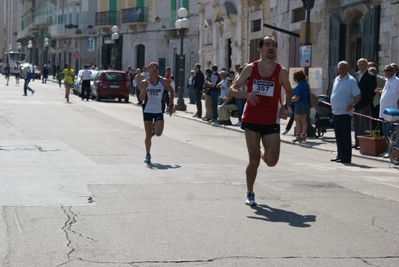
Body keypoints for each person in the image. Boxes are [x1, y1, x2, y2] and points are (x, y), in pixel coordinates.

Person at [228, 35, 292, 206]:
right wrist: (246, 94)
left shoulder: (282, 71)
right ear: (260, 48)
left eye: (274, 45)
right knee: (254, 160)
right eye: (268, 44)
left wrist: (285, 106)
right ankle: (250, 192)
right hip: (252, 119)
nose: (271, 47)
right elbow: (233, 88)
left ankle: (260, 151)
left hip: (271, 120)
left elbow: (289, 91)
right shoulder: (250, 68)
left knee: (271, 161)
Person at [139, 62, 175, 164]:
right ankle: (147, 154)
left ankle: (154, 129)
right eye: (152, 67)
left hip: (158, 109)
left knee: (158, 133)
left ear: (158, 70)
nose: (154, 68)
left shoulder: (163, 81)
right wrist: (145, 89)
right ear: (148, 70)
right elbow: (141, 98)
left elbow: (171, 91)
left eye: (156, 67)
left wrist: (171, 105)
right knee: (148, 135)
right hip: (147, 110)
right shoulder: (144, 82)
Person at [330, 61, 361, 164]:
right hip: (335, 112)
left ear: (347, 69)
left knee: (345, 136)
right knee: (338, 136)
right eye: (340, 67)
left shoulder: (351, 81)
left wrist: (351, 104)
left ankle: (346, 157)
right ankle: (340, 155)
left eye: (343, 68)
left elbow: (358, 96)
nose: (341, 69)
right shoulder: (336, 79)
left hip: (344, 112)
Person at [375, 64, 399, 158]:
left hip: (392, 112)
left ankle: (392, 151)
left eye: (389, 70)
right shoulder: (387, 81)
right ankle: (387, 150)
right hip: (384, 112)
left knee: (391, 132)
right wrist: (381, 92)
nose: (387, 72)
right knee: (385, 132)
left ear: (393, 71)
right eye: (385, 70)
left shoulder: (397, 81)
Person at [352, 58, 376, 149]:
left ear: (366, 65)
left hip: (365, 104)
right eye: (360, 64)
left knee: (364, 124)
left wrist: (365, 103)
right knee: (357, 124)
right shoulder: (356, 75)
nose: (361, 66)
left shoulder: (370, 76)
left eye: (363, 64)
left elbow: (371, 92)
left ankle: (363, 143)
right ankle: (357, 142)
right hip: (356, 104)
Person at [291, 69, 310, 142]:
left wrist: (291, 99)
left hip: (299, 104)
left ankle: (298, 135)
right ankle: (304, 135)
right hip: (306, 103)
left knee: (297, 119)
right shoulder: (306, 83)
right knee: (304, 119)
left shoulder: (299, 85)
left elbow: (297, 97)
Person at [368, 67, 386, 133]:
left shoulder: (371, 78)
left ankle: (374, 132)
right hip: (380, 101)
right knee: (380, 118)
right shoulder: (383, 79)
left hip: (374, 100)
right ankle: (380, 132)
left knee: (374, 119)